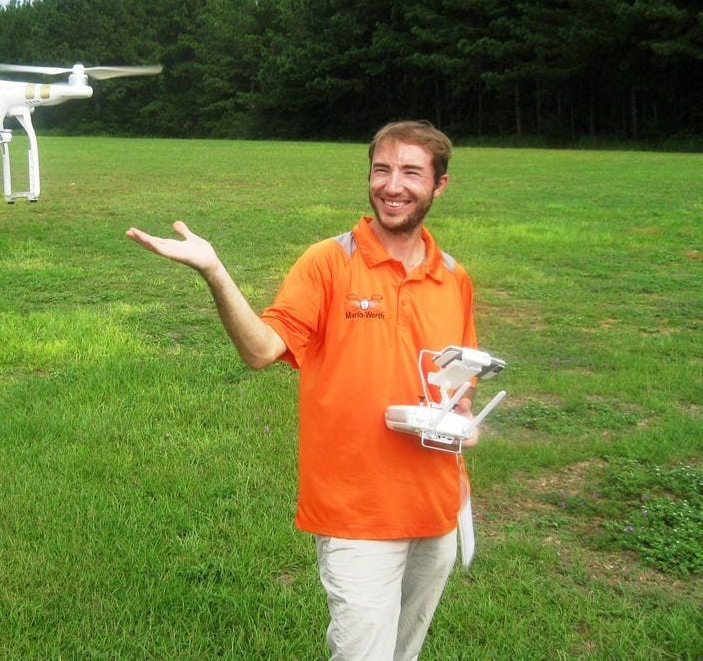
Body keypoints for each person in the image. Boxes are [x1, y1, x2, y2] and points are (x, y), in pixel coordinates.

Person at [126, 120, 480, 660]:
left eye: (411, 172)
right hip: (356, 511)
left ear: (439, 185)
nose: (392, 185)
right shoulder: (329, 262)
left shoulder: (452, 277)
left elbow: (460, 383)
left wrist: (462, 423)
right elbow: (261, 349)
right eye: (381, 170)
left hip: (437, 505)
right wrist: (215, 272)